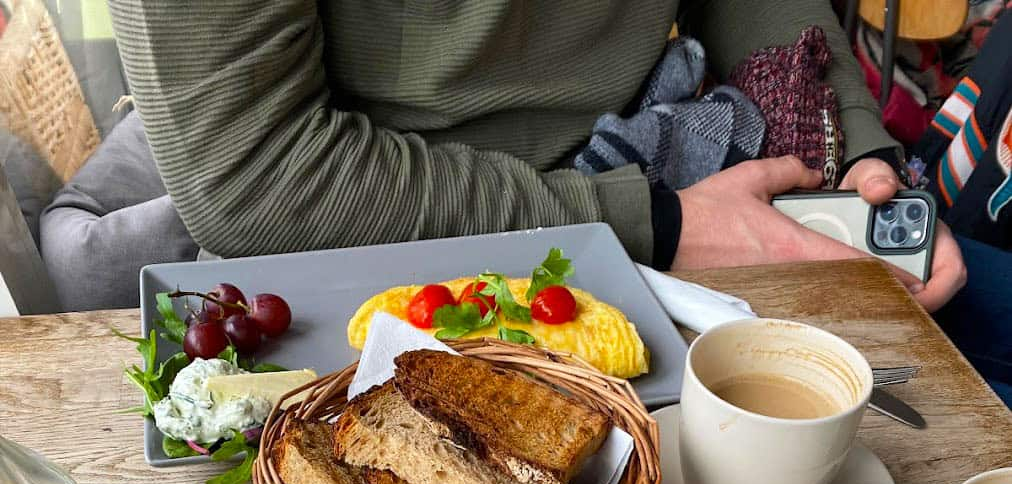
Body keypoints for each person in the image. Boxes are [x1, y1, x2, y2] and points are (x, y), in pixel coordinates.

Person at [42, 0, 964, 311]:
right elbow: (255, 177)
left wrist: (856, 158)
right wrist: (656, 224)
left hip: (668, 193)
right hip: (360, 278)